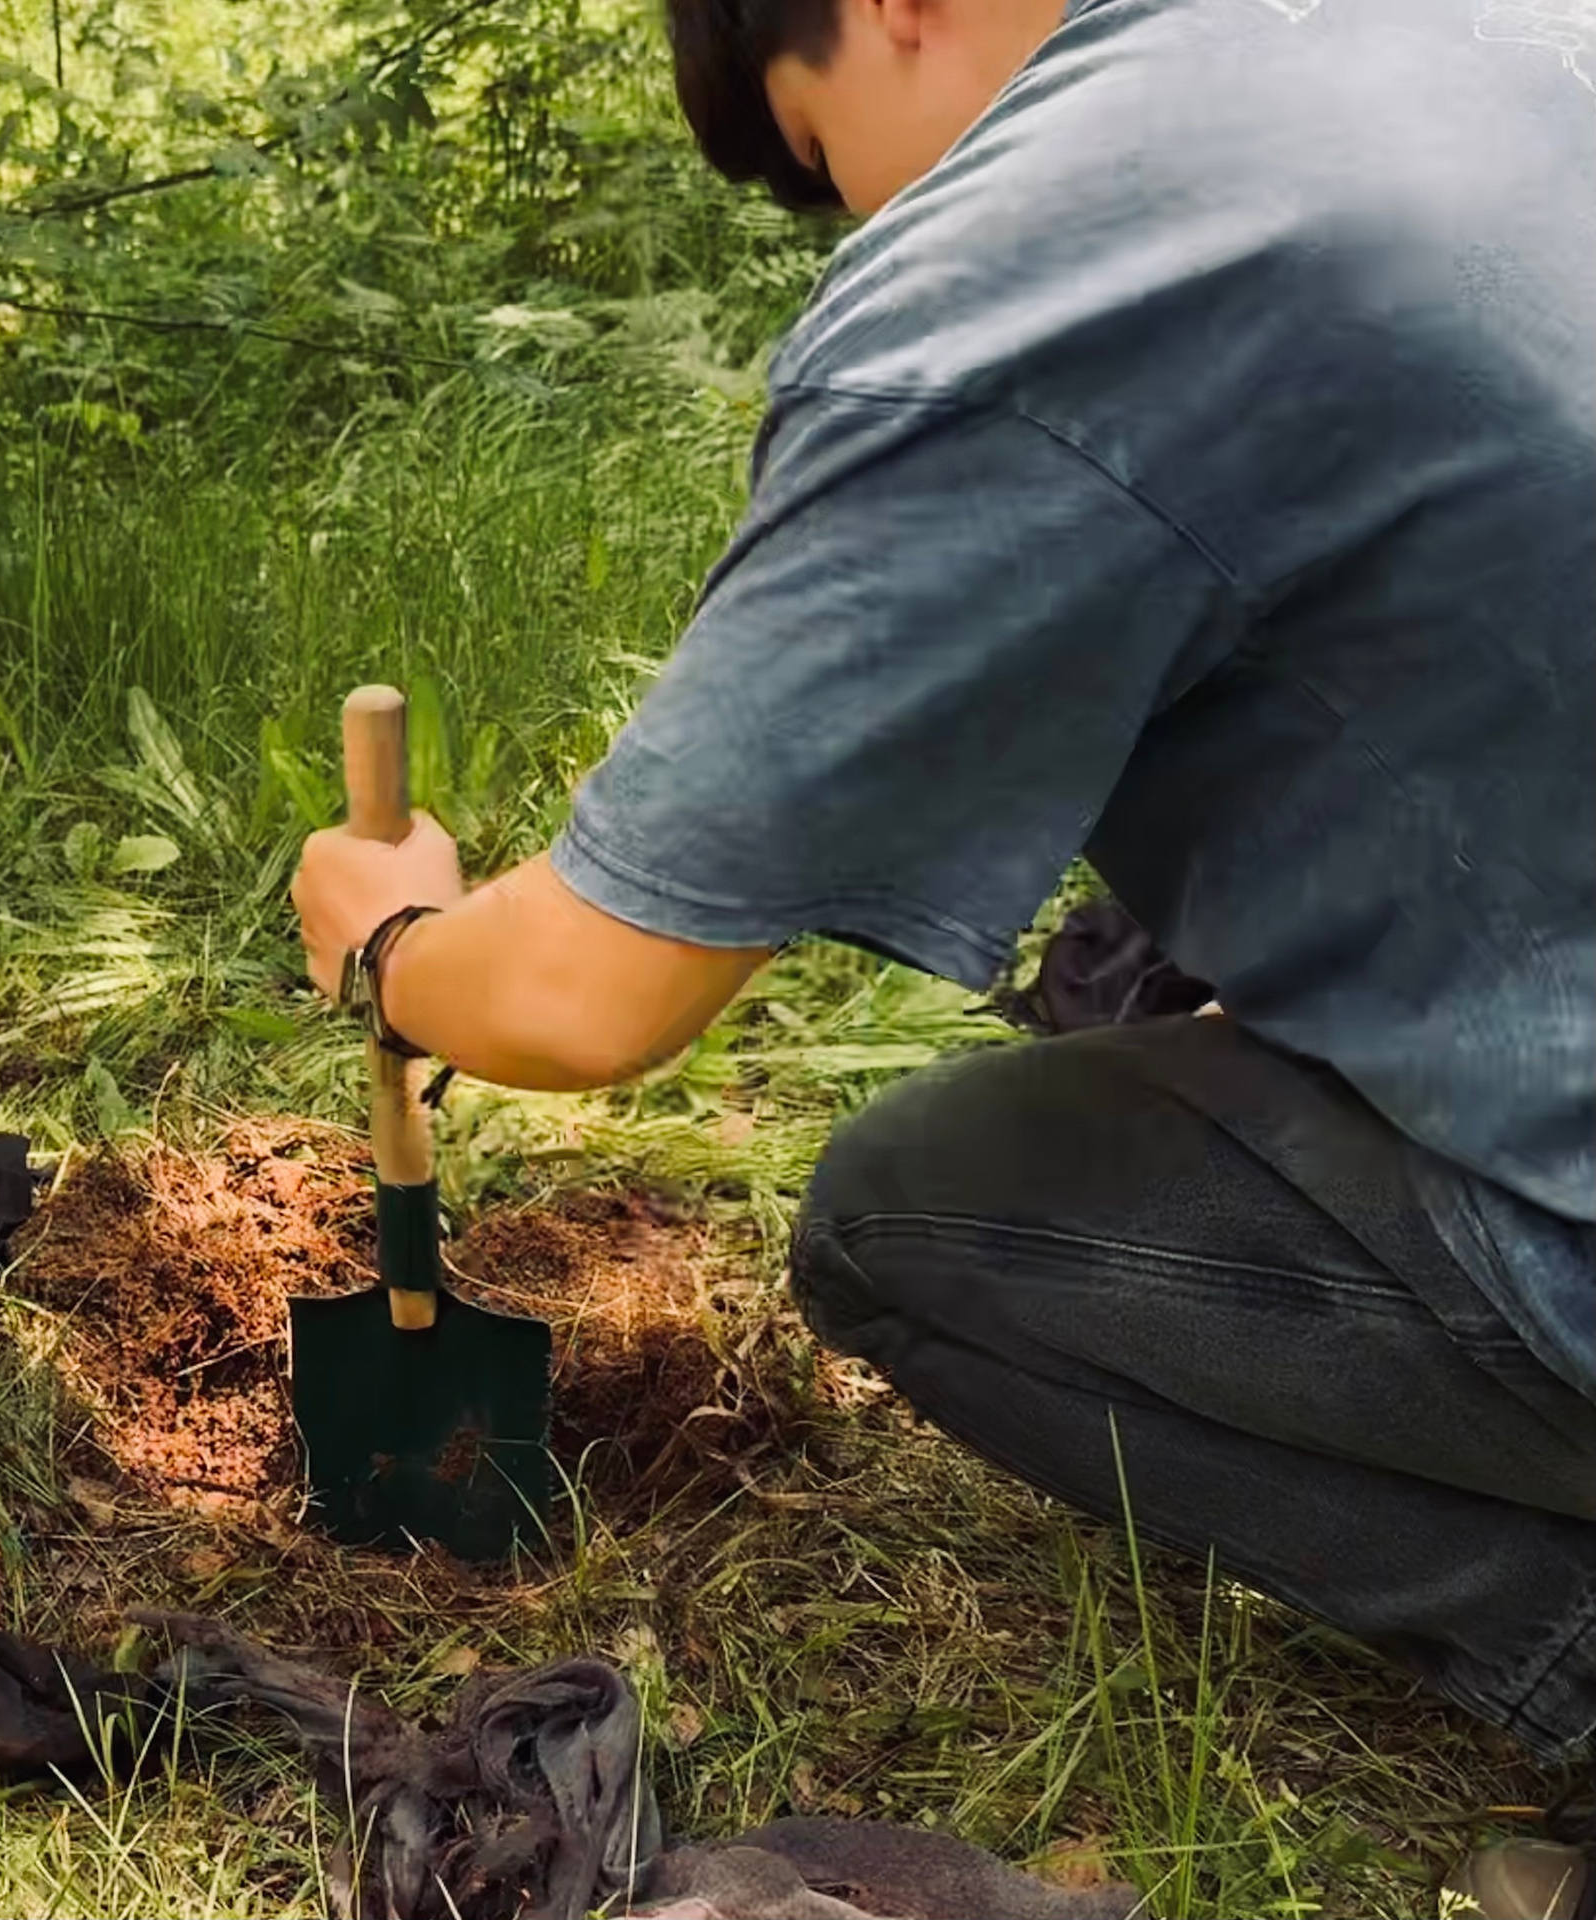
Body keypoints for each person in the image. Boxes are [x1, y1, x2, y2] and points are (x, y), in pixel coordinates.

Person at [290, 0, 1594, 1908]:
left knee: (908, 1219)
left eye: (826, 163)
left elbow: (584, 988)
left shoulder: (1049, 257)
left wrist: (389, 942)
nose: (859, 228)